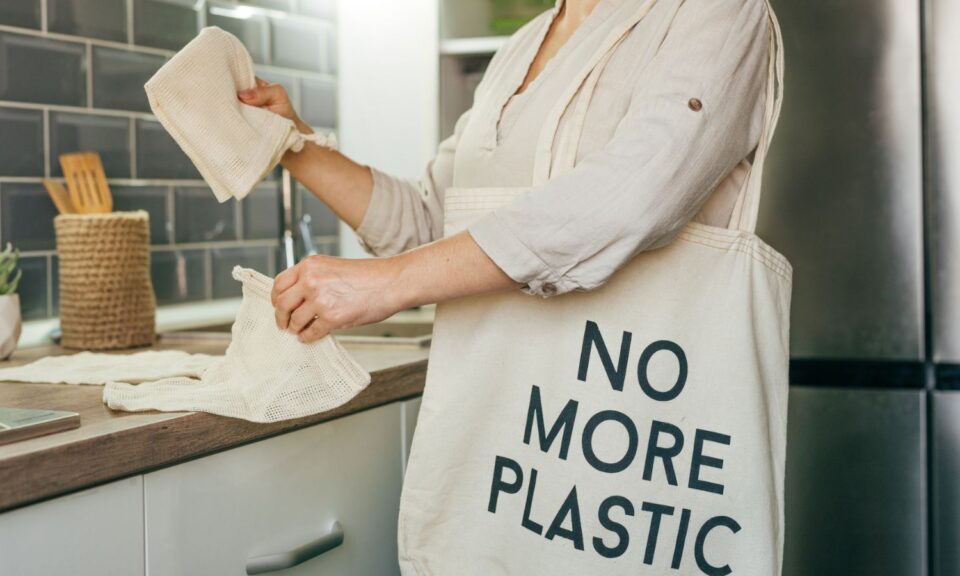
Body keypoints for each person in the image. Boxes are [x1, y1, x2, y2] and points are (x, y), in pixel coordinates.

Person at [241, 0, 782, 572]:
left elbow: (630, 199)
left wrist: (389, 285)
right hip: (511, 461)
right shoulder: (521, 47)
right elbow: (429, 223)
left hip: (629, 452)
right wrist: (293, 143)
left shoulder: (716, 12)